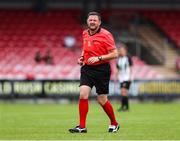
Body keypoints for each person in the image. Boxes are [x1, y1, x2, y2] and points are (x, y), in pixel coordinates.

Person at [69, 12, 119, 133]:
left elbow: (115, 54)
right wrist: (81, 57)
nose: (92, 22)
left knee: (101, 100)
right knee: (83, 94)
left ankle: (114, 123)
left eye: (95, 20)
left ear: (99, 22)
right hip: (87, 68)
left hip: (102, 69)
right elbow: (85, 48)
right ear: (87, 21)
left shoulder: (106, 35)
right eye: (90, 20)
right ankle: (82, 126)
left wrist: (99, 58)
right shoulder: (85, 33)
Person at [115, 45, 133, 112]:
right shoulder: (119, 59)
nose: (121, 51)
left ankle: (123, 107)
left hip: (127, 77)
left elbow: (131, 68)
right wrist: (116, 76)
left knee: (123, 91)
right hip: (121, 78)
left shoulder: (128, 58)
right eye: (120, 50)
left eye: (122, 50)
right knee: (123, 93)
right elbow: (117, 69)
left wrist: (131, 76)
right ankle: (126, 108)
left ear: (125, 51)